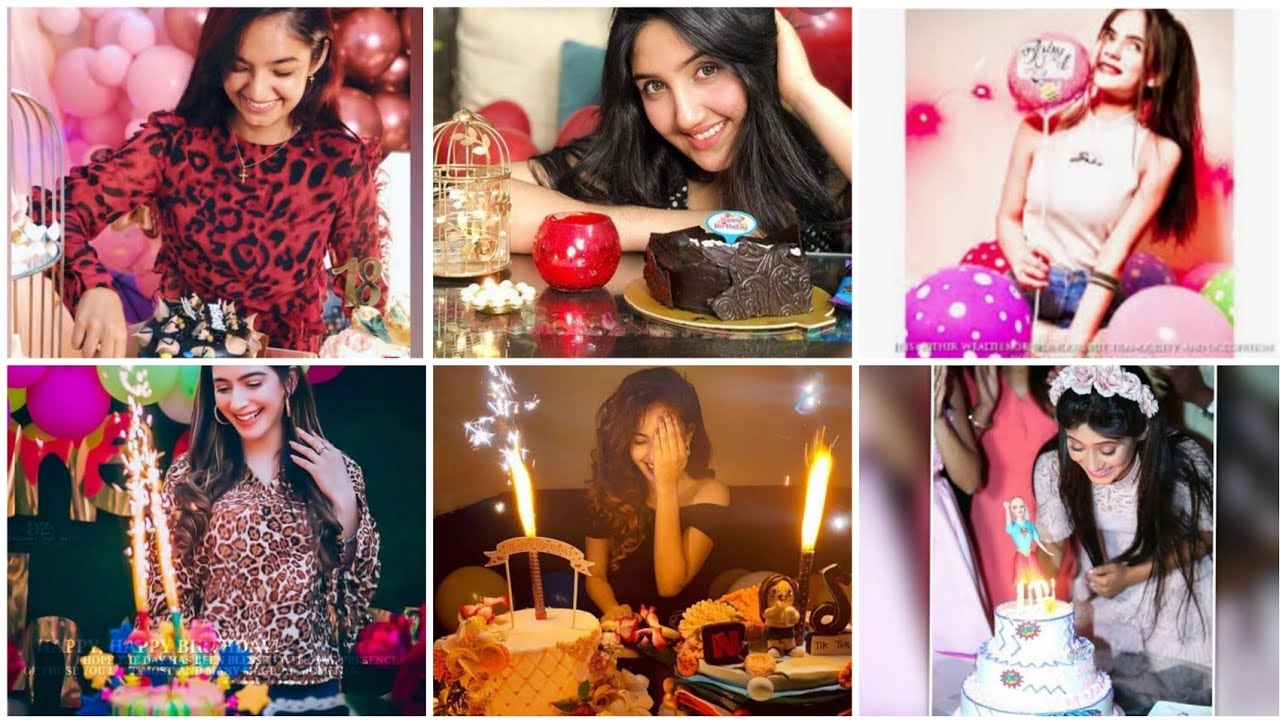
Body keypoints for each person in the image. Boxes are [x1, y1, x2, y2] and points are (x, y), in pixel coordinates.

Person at [32, 9, 388, 357]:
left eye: (281, 70)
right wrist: (92, 287)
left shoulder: (338, 161)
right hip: (182, 368)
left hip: (281, 374)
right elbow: (48, 213)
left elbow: (364, 291)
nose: (258, 90)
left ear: (316, 58)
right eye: (239, 66)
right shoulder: (172, 144)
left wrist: (371, 345)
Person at [512, 8, 852, 252]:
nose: (686, 117)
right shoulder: (644, 163)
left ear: (756, 62)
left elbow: (900, 198)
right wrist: (701, 225)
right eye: (655, 86)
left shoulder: (826, 166)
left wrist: (804, 92)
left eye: (707, 70)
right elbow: (463, 196)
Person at [154, 366, 380, 713]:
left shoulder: (339, 469)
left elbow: (355, 593)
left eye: (253, 383)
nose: (238, 401)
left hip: (311, 690)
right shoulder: (190, 474)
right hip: (219, 687)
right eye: (223, 388)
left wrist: (346, 507)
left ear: (289, 382)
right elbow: (168, 588)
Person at [996, 9, 1201, 356]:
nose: (1112, 50)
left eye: (1133, 45)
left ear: (1156, 74)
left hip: (1091, 305)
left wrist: (1076, 342)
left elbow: (1112, 257)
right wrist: (1019, 257)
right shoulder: (1038, 126)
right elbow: (1008, 216)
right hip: (1024, 295)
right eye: (1109, 36)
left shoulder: (1160, 153)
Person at [1032, 365, 1212, 669]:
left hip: (1173, 586)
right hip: (1101, 595)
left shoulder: (1182, 458)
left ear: (1140, 430)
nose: (1091, 463)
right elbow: (1053, 551)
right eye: (1076, 446)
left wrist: (1131, 574)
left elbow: (1208, 537)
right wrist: (1035, 562)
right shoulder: (1053, 466)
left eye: (1107, 449)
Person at [584, 368, 729, 623]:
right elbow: (595, 574)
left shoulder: (711, 493)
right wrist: (612, 609)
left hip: (682, 638)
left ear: (688, 435)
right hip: (618, 634)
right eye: (640, 441)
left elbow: (669, 584)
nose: (653, 455)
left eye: (664, 440)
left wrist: (666, 485)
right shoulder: (610, 491)